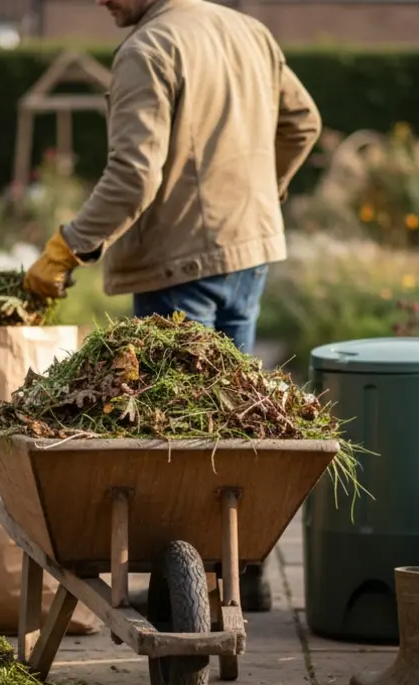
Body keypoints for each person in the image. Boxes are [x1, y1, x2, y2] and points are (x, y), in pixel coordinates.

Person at [23, 0, 321, 611]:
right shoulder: (249, 32)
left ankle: (182, 592)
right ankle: (240, 569)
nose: (98, 2)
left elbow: (134, 177)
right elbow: (303, 123)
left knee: (181, 437)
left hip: (178, 265)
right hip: (247, 253)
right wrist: (263, 195)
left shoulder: (148, 49)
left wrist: (68, 245)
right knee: (238, 421)